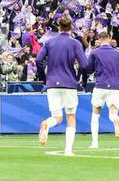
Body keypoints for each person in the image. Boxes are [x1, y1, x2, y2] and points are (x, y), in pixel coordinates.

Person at [34, 16, 88, 156]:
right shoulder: (75, 43)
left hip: (52, 84)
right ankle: (68, 150)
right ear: (71, 27)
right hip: (69, 84)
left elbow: (39, 59)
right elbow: (84, 64)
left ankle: (47, 123)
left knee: (57, 117)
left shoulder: (49, 42)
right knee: (71, 116)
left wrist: (44, 78)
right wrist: (79, 78)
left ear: (58, 27)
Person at [86, 32, 119, 149]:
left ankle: (94, 143)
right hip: (115, 86)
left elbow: (88, 70)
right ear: (110, 39)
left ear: (99, 40)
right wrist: (116, 67)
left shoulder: (95, 52)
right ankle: (115, 121)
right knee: (113, 113)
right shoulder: (117, 52)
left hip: (100, 85)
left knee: (95, 115)